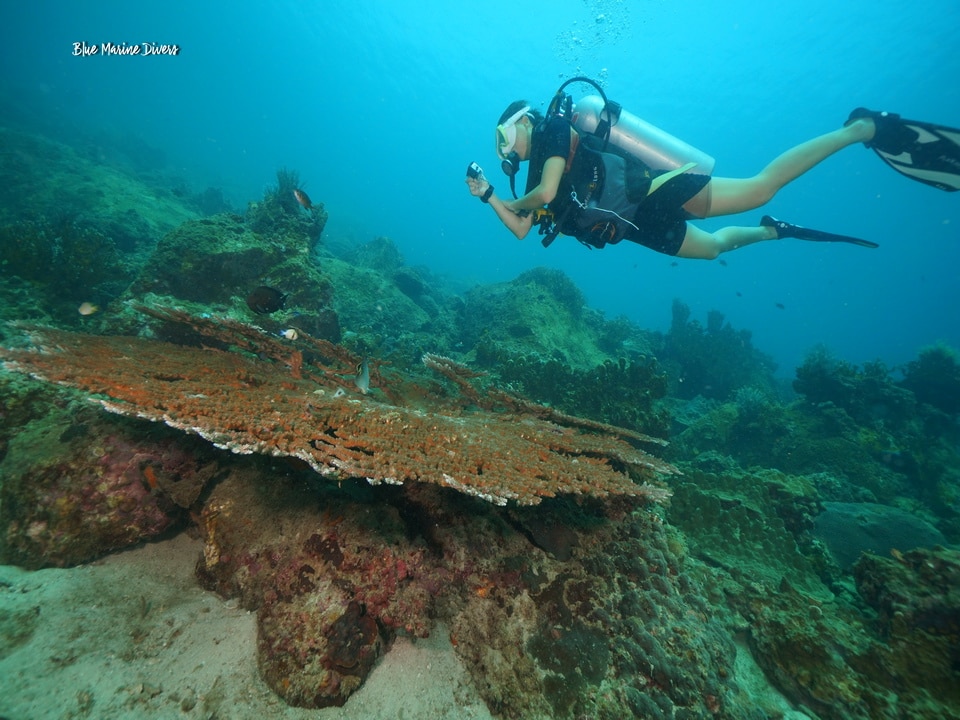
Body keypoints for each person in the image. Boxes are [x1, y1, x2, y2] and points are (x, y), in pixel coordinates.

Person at [466, 89, 959, 258]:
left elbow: (549, 191)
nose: (506, 148)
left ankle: (859, 129)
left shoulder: (553, 128)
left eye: (504, 137)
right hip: (635, 225)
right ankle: (773, 234)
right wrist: (490, 195)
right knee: (716, 249)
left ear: (523, 122)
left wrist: (516, 200)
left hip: (651, 190)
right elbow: (522, 230)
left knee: (760, 188)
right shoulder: (530, 181)